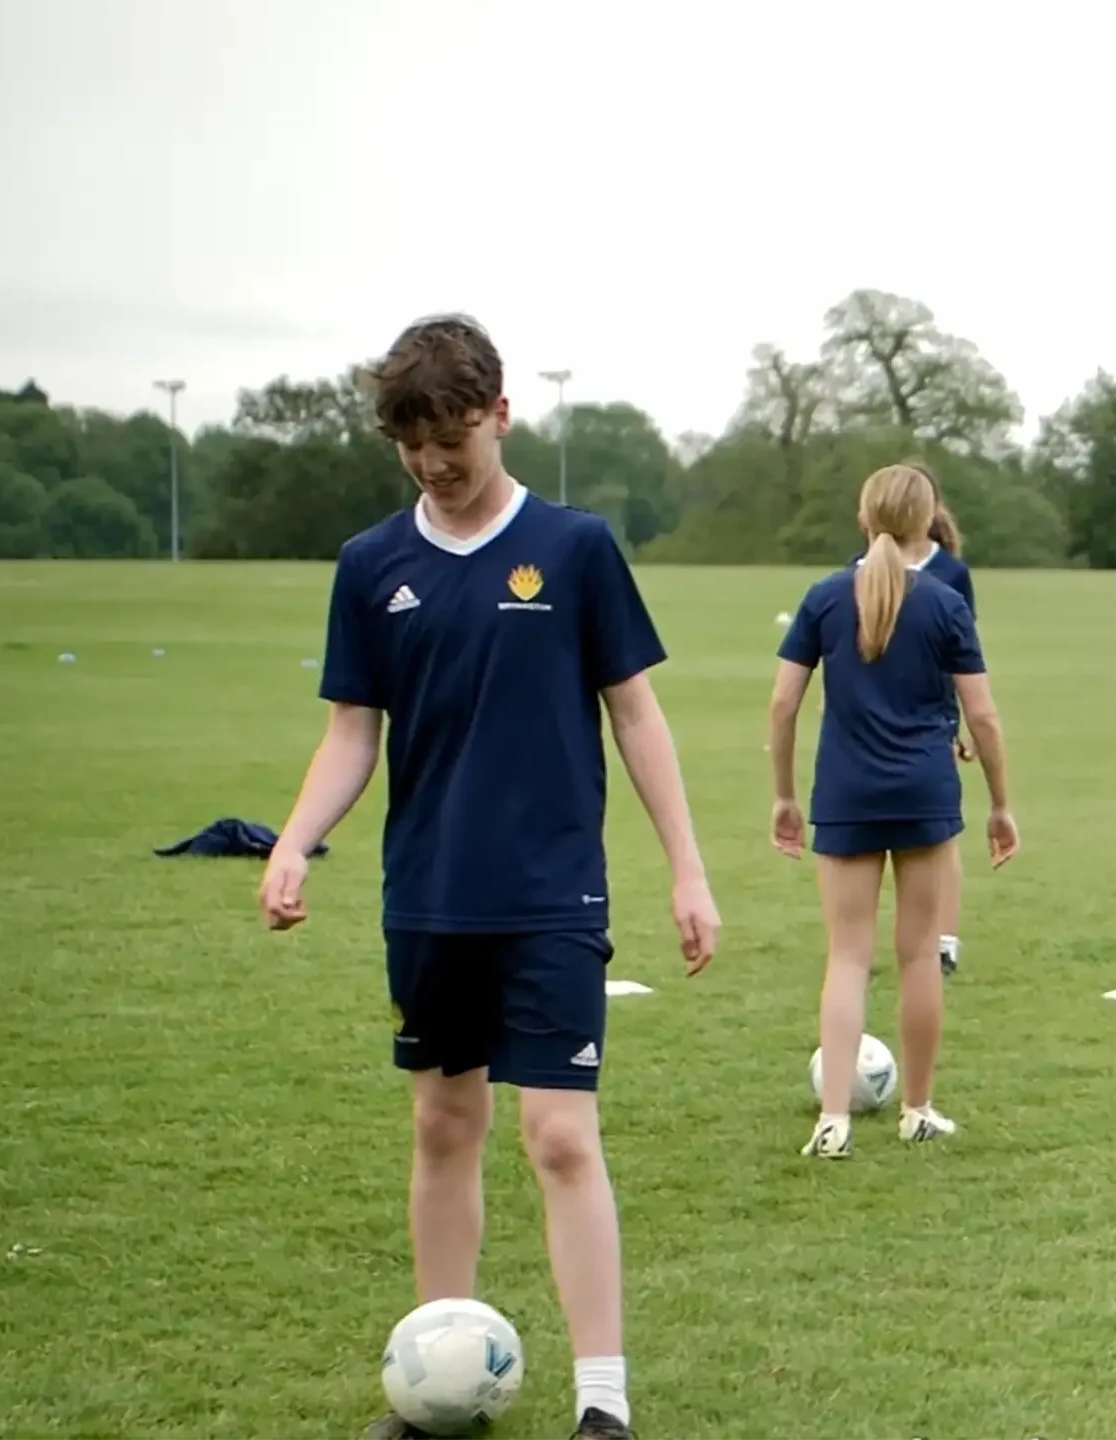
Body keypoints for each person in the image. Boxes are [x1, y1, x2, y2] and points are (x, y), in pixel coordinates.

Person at [256, 313, 722, 1440]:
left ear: (500, 415)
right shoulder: (372, 566)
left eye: (452, 440)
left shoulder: (574, 549)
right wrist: (291, 837)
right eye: (412, 447)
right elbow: (352, 734)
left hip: (552, 891)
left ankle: (603, 1404)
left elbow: (635, 712)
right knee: (442, 1125)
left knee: (559, 1134)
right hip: (427, 893)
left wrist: (687, 869)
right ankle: (439, 1381)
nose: (434, 465)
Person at [770, 461, 1018, 1160]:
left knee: (847, 958)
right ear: (928, 522)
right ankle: (917, 1110)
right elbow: (985, 717)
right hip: (925, 795)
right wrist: (1001, 804)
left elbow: (784, 702)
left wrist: (785, 795)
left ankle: (834, 1121)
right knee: (917, 958)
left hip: (845, 795)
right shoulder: (945, 602)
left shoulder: (824, 597)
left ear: (863, 517)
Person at [847, 461, 978, 979]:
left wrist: (958, 722)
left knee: (939, 836)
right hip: (871, 716)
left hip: (930, 717)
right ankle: (868, 942)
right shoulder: (859, 569)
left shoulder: (951, 574)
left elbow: (966, 659)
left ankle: (942, 939)